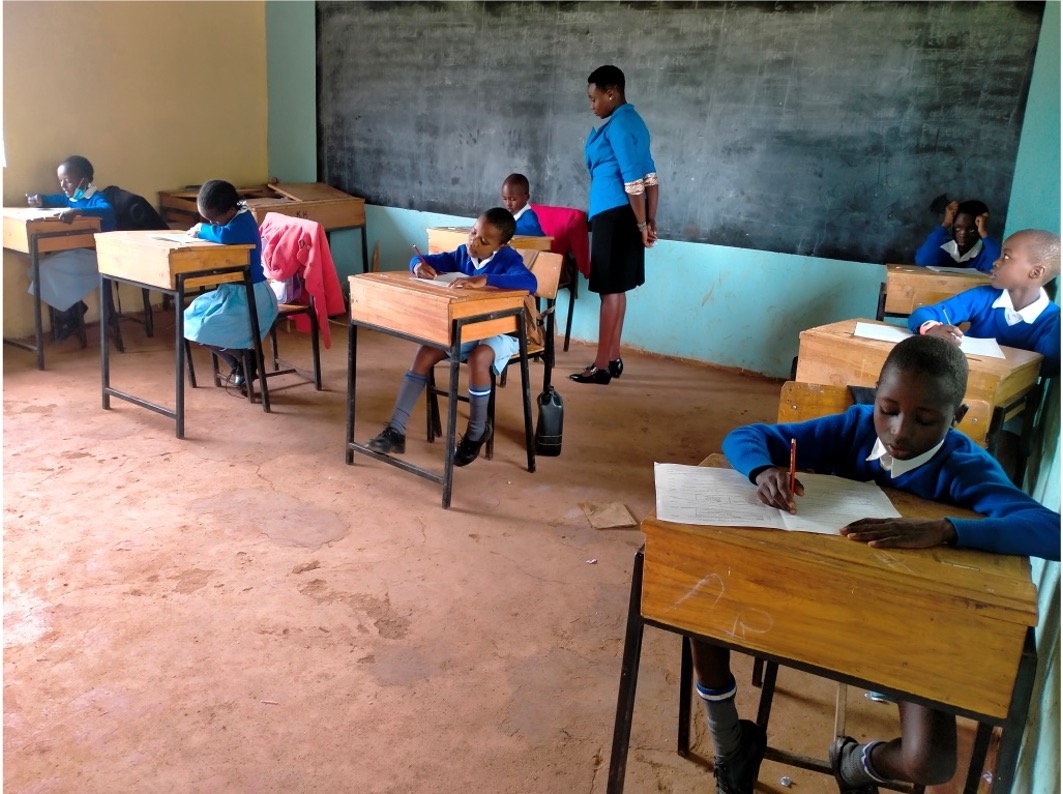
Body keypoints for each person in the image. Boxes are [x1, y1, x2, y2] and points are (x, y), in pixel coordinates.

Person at [692, 334, 1060, 794]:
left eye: (925, 419)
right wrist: (762, 470)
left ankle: (856, 763)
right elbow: (747, 436)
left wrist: (945, 529)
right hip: (819, 593)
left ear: (956, 418)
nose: (900, 431)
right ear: (875, 400)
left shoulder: (965, 466)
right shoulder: (854, 427)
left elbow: (1051, 529)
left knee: (930, 763)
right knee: (702, 578)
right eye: (888, 409)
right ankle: (731, 742)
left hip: (906, 621)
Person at [367, 208, 537, 467]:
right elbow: (430, 260)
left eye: (483, 241)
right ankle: (396, 430)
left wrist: (485, 279)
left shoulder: (508, 259)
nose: (473, 242)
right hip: (466, 328)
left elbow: (530, 282)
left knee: (480, 358)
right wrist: (418, 266)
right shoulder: (462, 254)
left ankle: (476, 432)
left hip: (501, 331)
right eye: (472, 233)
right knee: (425, 351)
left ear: (501, 245)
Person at [571, 64, 658, 385]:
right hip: (628, 216)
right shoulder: (633, 122)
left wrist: (641, 225)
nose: (592, 105)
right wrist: (648, 220)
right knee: (616, 291)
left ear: (612, 93)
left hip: (615, 216)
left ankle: (601, 366)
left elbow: (634, 181)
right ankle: (614, 357)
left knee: (609, 292)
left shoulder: (620, 126)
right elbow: (652, 178)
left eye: (594, 99)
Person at [908, 229, 1060, 375]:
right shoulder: (983, 296)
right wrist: (931, 329)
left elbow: (1047, 367)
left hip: (1008, 397)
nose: (995, 262)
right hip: (960, 377)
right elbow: (922, 313)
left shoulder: (1052, 319)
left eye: (1006, 257)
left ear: (1036, 272)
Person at [182, 180, 279, 390]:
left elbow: (226, 234)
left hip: (252, 296)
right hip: (232, 292)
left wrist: (202, 229)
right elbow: (222, 231)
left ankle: (244, 356)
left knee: (204, 327)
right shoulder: (234, 215)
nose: (214, 223)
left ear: (231, 209)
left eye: (215, 219)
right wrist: (207, 226)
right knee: (189, 320)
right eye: (208, 220)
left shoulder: (243, 221)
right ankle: (240, 360)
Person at [26, 155, 117, 339]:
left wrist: (79, 211)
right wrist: (40, 200)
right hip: (82, 253)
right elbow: (56, 198)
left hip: (102, 257)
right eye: (60, 181)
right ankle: (74, 308)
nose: (63, 186)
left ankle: (69, 315)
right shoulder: (71, 199)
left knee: (43, 269)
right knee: (35, 270)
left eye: (67, 181)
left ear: (86, 181)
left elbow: (107, 210)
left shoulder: (97, 198)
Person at [914, 199, 999, 273]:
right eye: (958, 228)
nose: (963, 234)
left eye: (971, 230)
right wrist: (945, 224)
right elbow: (923, 260)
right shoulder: (942, 248)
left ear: (980, 228)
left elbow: (997, 266)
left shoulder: (985, 253)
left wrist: (984, 233)